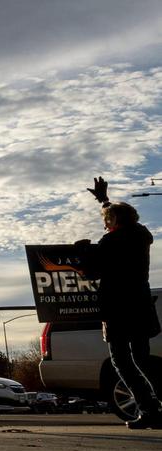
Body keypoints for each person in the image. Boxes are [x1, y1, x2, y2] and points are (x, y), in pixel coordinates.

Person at [78, 177, 161, 429]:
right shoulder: (140, 235)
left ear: (114, 222)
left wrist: (82, 252)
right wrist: (104, 200)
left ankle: (149, 410)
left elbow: (91, 272)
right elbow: (118, 216)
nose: (105, 224)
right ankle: (155, 406)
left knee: (121, 361)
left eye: (107, 221)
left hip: (117, 308)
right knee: (142, 358)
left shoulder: (111, 242)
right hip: (140, 304)